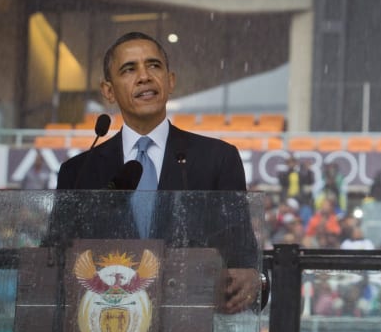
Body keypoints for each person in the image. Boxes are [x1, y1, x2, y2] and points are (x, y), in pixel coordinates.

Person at [52, 32, 262, 314]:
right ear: (109, 91)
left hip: (189, 330)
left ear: (170, 81)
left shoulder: (217, 159)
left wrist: (253, 277)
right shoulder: (78, 172)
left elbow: (242, 259)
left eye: (153, 66)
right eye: (129, 69)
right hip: (103, 329)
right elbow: (54, 261)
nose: (144, 77)